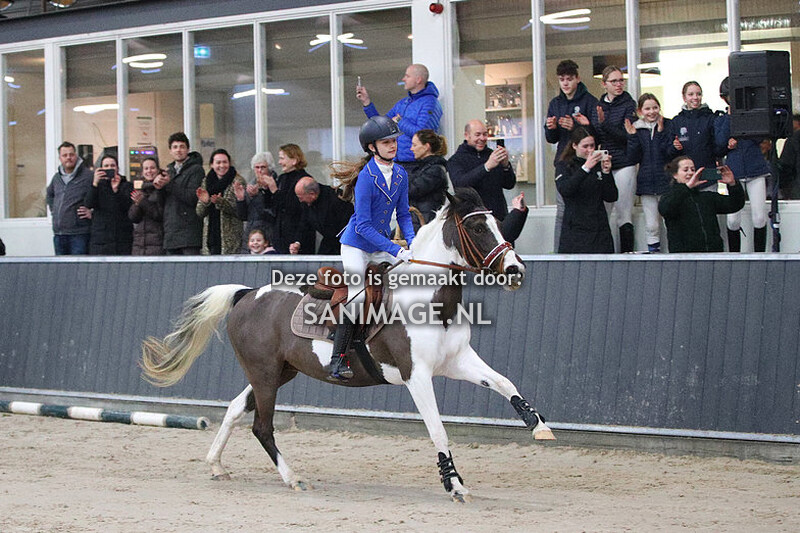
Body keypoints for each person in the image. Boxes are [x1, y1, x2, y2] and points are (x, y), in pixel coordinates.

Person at [329, 115, 415, 381]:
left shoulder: (401, 174)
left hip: (380, 243)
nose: (393, 145)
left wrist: (413, 243)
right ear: (372, 147)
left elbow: (403, 214)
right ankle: (337, 359)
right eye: (386, 142)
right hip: (356, 245)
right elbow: (364, 226)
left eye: (394, 141)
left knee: (409, 280)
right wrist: (396, 250)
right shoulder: (366, 178)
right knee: (357, 297)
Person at [544, 59, 599, 250]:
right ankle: (560, 251)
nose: (565, 83)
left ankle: (589, 249)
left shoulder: (590, 101)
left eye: (569, 79)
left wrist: (576, 126)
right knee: (562, 210)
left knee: (588, 208)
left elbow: (596, 134)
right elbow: (551, 138)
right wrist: (550, 128)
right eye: (562, 79)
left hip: (586, 160)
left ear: (577, 79)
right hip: (563, 161)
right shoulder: (555, 103)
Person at [716, 77, 770, 252]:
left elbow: (759, 136)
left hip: (755, 169)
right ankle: (734, 255)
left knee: (760, 217)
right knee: (732, 220)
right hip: (734, 172)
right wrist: (731, 118)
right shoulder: (722, 118)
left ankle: (760, 256)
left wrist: (742, 130)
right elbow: (719, 143)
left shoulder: (752, 114)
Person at [356, 63, 443, 172]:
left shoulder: (430, 103)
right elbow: (382, 126)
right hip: (398, 163)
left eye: (407, 76)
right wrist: (367, 102)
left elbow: (423, 135)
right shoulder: (403, 103)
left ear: (418, 79)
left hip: (416, 165)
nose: (403, 79)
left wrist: (399, 121)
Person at [658, 156, 745, 253]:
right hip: (684, 257)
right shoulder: (670, 197)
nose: (690, 173)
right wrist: (687, 187)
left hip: (713, 254)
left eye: (693, 169)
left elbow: (735, 204)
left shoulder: (706, 197)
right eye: (685, 170)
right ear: (675, 174)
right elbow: (665, 209)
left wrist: (733, 184)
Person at [594, 65, 638, 252]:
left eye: (621, 80)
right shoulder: (599, 105)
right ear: (604, 84)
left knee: (624, 212)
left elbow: (626, 135)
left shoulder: (629, 104)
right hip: (604, 163)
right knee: (603, 212)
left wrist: (604, 125)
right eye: (614, 81)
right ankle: (605, 254)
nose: (619, 84)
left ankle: (626, 254)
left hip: (623, 162)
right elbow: (596, 135)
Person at [555, 127, 618, 254]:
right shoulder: (564, 166)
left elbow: (611, 196)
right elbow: (566, 190)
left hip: (599, 229)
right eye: (585, 146)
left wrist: (606, 173)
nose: (590, 150)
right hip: (576, 231)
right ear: (574, 146)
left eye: (592, 146)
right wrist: (585, 168)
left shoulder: (598, 165)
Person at [625, 93, 672, 253]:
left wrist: (660, 132)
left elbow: (669, 153)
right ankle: (654, 254)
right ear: (640, 111)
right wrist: (632, 137)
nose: (652, 112)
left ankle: (674, 255)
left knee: (670, 222)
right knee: (652, 225)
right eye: (647, 108)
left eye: (655, 107)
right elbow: (633, 156)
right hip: (646, 182)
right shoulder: (637, 129)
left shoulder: (668, 125)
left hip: (666, 182)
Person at [447, 120, 516, 222]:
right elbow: (460, 184)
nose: (482, 138)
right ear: (467, 136)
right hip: (472, 221)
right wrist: (486, 167)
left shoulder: (492, 155)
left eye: (485, 134)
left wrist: (506, 165)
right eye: (477, 135)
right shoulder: (456, 160)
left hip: (498, 217)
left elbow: (509, 184)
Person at [155, 132, 205, 255]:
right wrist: (159, 187)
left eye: (182, 147)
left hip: (189, 233)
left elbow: (193, 197)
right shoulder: (168, 170)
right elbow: (162, 203)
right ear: (170, 151)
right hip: (171, 232)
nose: (178, 150)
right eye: (175, 147)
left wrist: (169, 184)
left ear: (188, 149)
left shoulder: (196, 169)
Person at [261, 143, 316, 254]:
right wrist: (266, 190)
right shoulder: (282, 178)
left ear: (294, 160)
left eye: (282, 158)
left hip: (298, 237)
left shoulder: (304, 180)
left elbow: (293, 208)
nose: (279, 162)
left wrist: (274, 190)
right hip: (280, 237)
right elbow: (273, 206)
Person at [666, 81, 724, 181]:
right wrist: (675, 147)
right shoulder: (676, 121)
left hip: (709, 173)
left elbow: (719, 147)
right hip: (686, 178)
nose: (695, 98)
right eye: (691, 94)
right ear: (684, 98)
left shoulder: (711, 118)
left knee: (711, 196)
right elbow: (668, 152)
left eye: (698, 94)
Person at [46, 141, 93, 255]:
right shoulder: (57, 178)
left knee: (79, 269)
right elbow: (49, 195)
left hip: (79, 234)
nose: (68, 158)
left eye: (71, 154)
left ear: (76, 156)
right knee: (61, 270)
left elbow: (100, 196)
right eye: (65, 155)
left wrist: (92, 211)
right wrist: (54, 211)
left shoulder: (88, 176)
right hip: (59, 233)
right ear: (60, 158)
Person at [195, 149, 245, 255]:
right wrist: (206, 202)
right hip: (211, 236)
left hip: (230, 239)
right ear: (212, 165)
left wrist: (221, 202)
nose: (222, 165)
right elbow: (200, 212)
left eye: (224, 162)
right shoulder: (206, 181)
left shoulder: (237, 181)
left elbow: (240, 211)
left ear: (229, 163)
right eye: (218, 162)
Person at [84, 153, 134, 255]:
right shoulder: (97, 186)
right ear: (101, 169)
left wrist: (115, 190)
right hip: (101, 237)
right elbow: (88, 203)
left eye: (112, 166)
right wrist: (95, 184)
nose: (109, 168)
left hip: (121, 237)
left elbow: (127, 206)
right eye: (106, 166)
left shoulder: (126, 185)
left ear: (117, 168)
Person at [290, 177, 353, 255]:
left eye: (301, 197)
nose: (300, 201)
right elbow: (304, 223)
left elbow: (347, 224)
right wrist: (297, 242)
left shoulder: (337, 199)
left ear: (312, 194)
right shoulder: (307, 203)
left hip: (345, 242)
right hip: (328, 241)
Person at [234, 152, 277, 253]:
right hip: (250, 234)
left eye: (263, 167)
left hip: (268, 234)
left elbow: (271, 213)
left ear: (269, 168)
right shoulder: (251, 184)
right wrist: (240, 200)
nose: (259, 171)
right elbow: (243, 216)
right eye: (256, 167)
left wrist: (259, 195)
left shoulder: (275, 184)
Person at [408, 129, 450, 227]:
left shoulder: (435, 170)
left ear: (426, 147)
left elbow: (412, 190)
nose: (411, 149)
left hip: (424, 224)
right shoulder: (423, 168)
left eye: (414, 145)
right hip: (416, 220)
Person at [128, 157, 166, 255]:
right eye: (146, 168)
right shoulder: (140, 190)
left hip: (157, 242)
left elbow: (159, 214)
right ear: (142, 172)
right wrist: (136, 204)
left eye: (152, 168)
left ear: (158, 170)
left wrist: (142, 202)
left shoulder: (162, 189)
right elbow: (133, 218)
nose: (149, 171)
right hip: (139, 244)